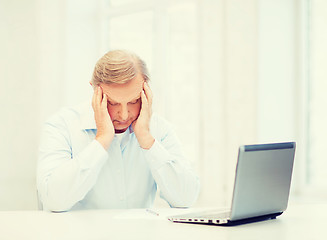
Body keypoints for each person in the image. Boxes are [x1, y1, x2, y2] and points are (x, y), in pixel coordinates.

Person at [37, 50, 200, 211]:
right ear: (94, 91)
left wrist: (146, 138)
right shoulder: (62, 126)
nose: (123, 115)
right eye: (113, 103)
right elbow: (54, 201)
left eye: (134, 101)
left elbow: (186, 198)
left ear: (146, 92)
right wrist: (101, 140)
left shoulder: (159, 129)